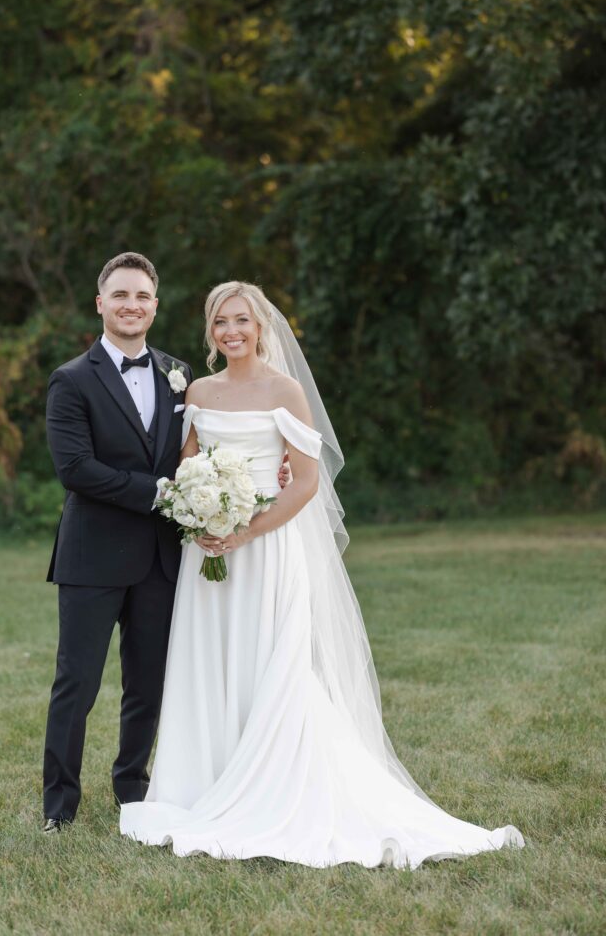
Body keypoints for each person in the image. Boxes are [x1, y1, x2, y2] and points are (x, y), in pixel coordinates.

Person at [120, 281, 525, 868]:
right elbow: (187, 466)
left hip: (264, 546)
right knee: (209, 659)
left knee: (271, 662)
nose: (231, 331)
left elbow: (306, 482)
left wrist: (245, 529)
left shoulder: (284, 390)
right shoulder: (200, 392)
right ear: (210, 332)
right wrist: (199, 512)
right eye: (220, 322)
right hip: (206, 546)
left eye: (241, 320)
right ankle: (203, 784)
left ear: (261, 326)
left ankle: (274, 784)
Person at [41, 252, 192, 829]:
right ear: (100, 303)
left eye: (143, 297)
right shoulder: (72, 379)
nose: (132, 305)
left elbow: (199, 452)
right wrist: (157, 492)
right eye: (121, 295)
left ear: (155, 306)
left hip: (160, 558)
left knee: (147, 685)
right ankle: (60, 806)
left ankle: (133, 790)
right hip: (92, 557)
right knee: (76, 684)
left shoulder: (179, 374)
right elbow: (75, 468)